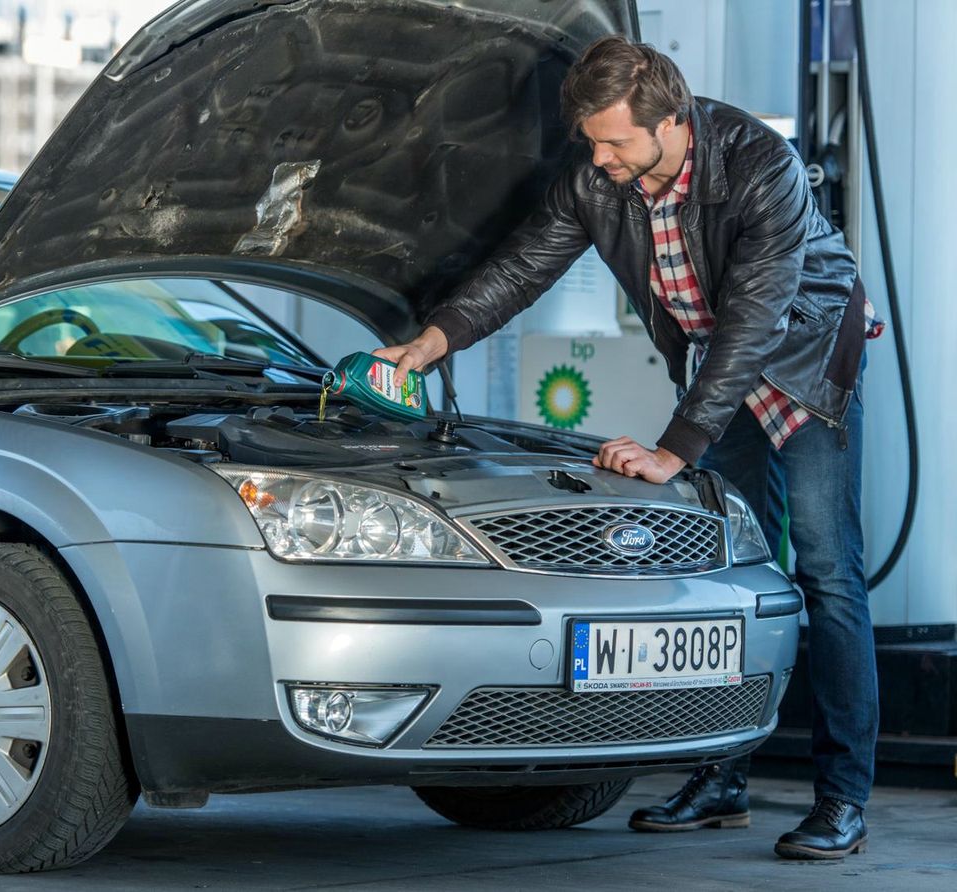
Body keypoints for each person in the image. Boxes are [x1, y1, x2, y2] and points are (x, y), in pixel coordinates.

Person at [374, 35, 882, 861]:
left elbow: (752, 325)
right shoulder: (597, 178)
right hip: (721, 370)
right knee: (719, 579)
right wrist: (430, 343)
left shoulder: (762, 166)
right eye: (592, 141)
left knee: (826, 572)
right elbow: (522, 267)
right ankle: (720, 781)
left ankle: (842, 798)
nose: (600, 158)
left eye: (616, 141)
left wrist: (674, 450)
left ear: (673, 122)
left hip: (802, 360)